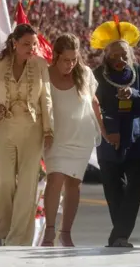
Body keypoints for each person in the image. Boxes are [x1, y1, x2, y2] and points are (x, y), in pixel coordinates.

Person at [0, 23, 54, 246]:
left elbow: (46, 98)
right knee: (4, 181)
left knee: (28, 184)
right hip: (3, 127)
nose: (31, 48)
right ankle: (5, 231)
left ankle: (18, 239)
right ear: (14, 43)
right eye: (26, 44)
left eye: (34, 44)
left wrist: (49, 129)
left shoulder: (41, 64)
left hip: (33, 128)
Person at [91, 19, 140, 248]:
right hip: (108, 138)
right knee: (113, 190)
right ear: (105, 55)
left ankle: (119, 236)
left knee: (135, 189)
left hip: (136, 138)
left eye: (123, 55)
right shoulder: (96, 75)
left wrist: (135, 95)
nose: (119, 60)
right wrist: (112, 132)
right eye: (114, 55)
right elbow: (93, 106)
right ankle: (120, 236)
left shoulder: (138, 72)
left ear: (130, 55)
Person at [41, 33, 106, 247]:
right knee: (54, 179)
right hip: (56, 137)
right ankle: (49, 230)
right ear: (56, 57)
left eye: (74, 59)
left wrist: (105, 132)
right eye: (66, 60)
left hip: (82, 136)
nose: (70, 64)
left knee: (74, 184)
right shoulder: (45, 74)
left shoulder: (85, 73)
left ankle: (66, 232)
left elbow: (95, 103)